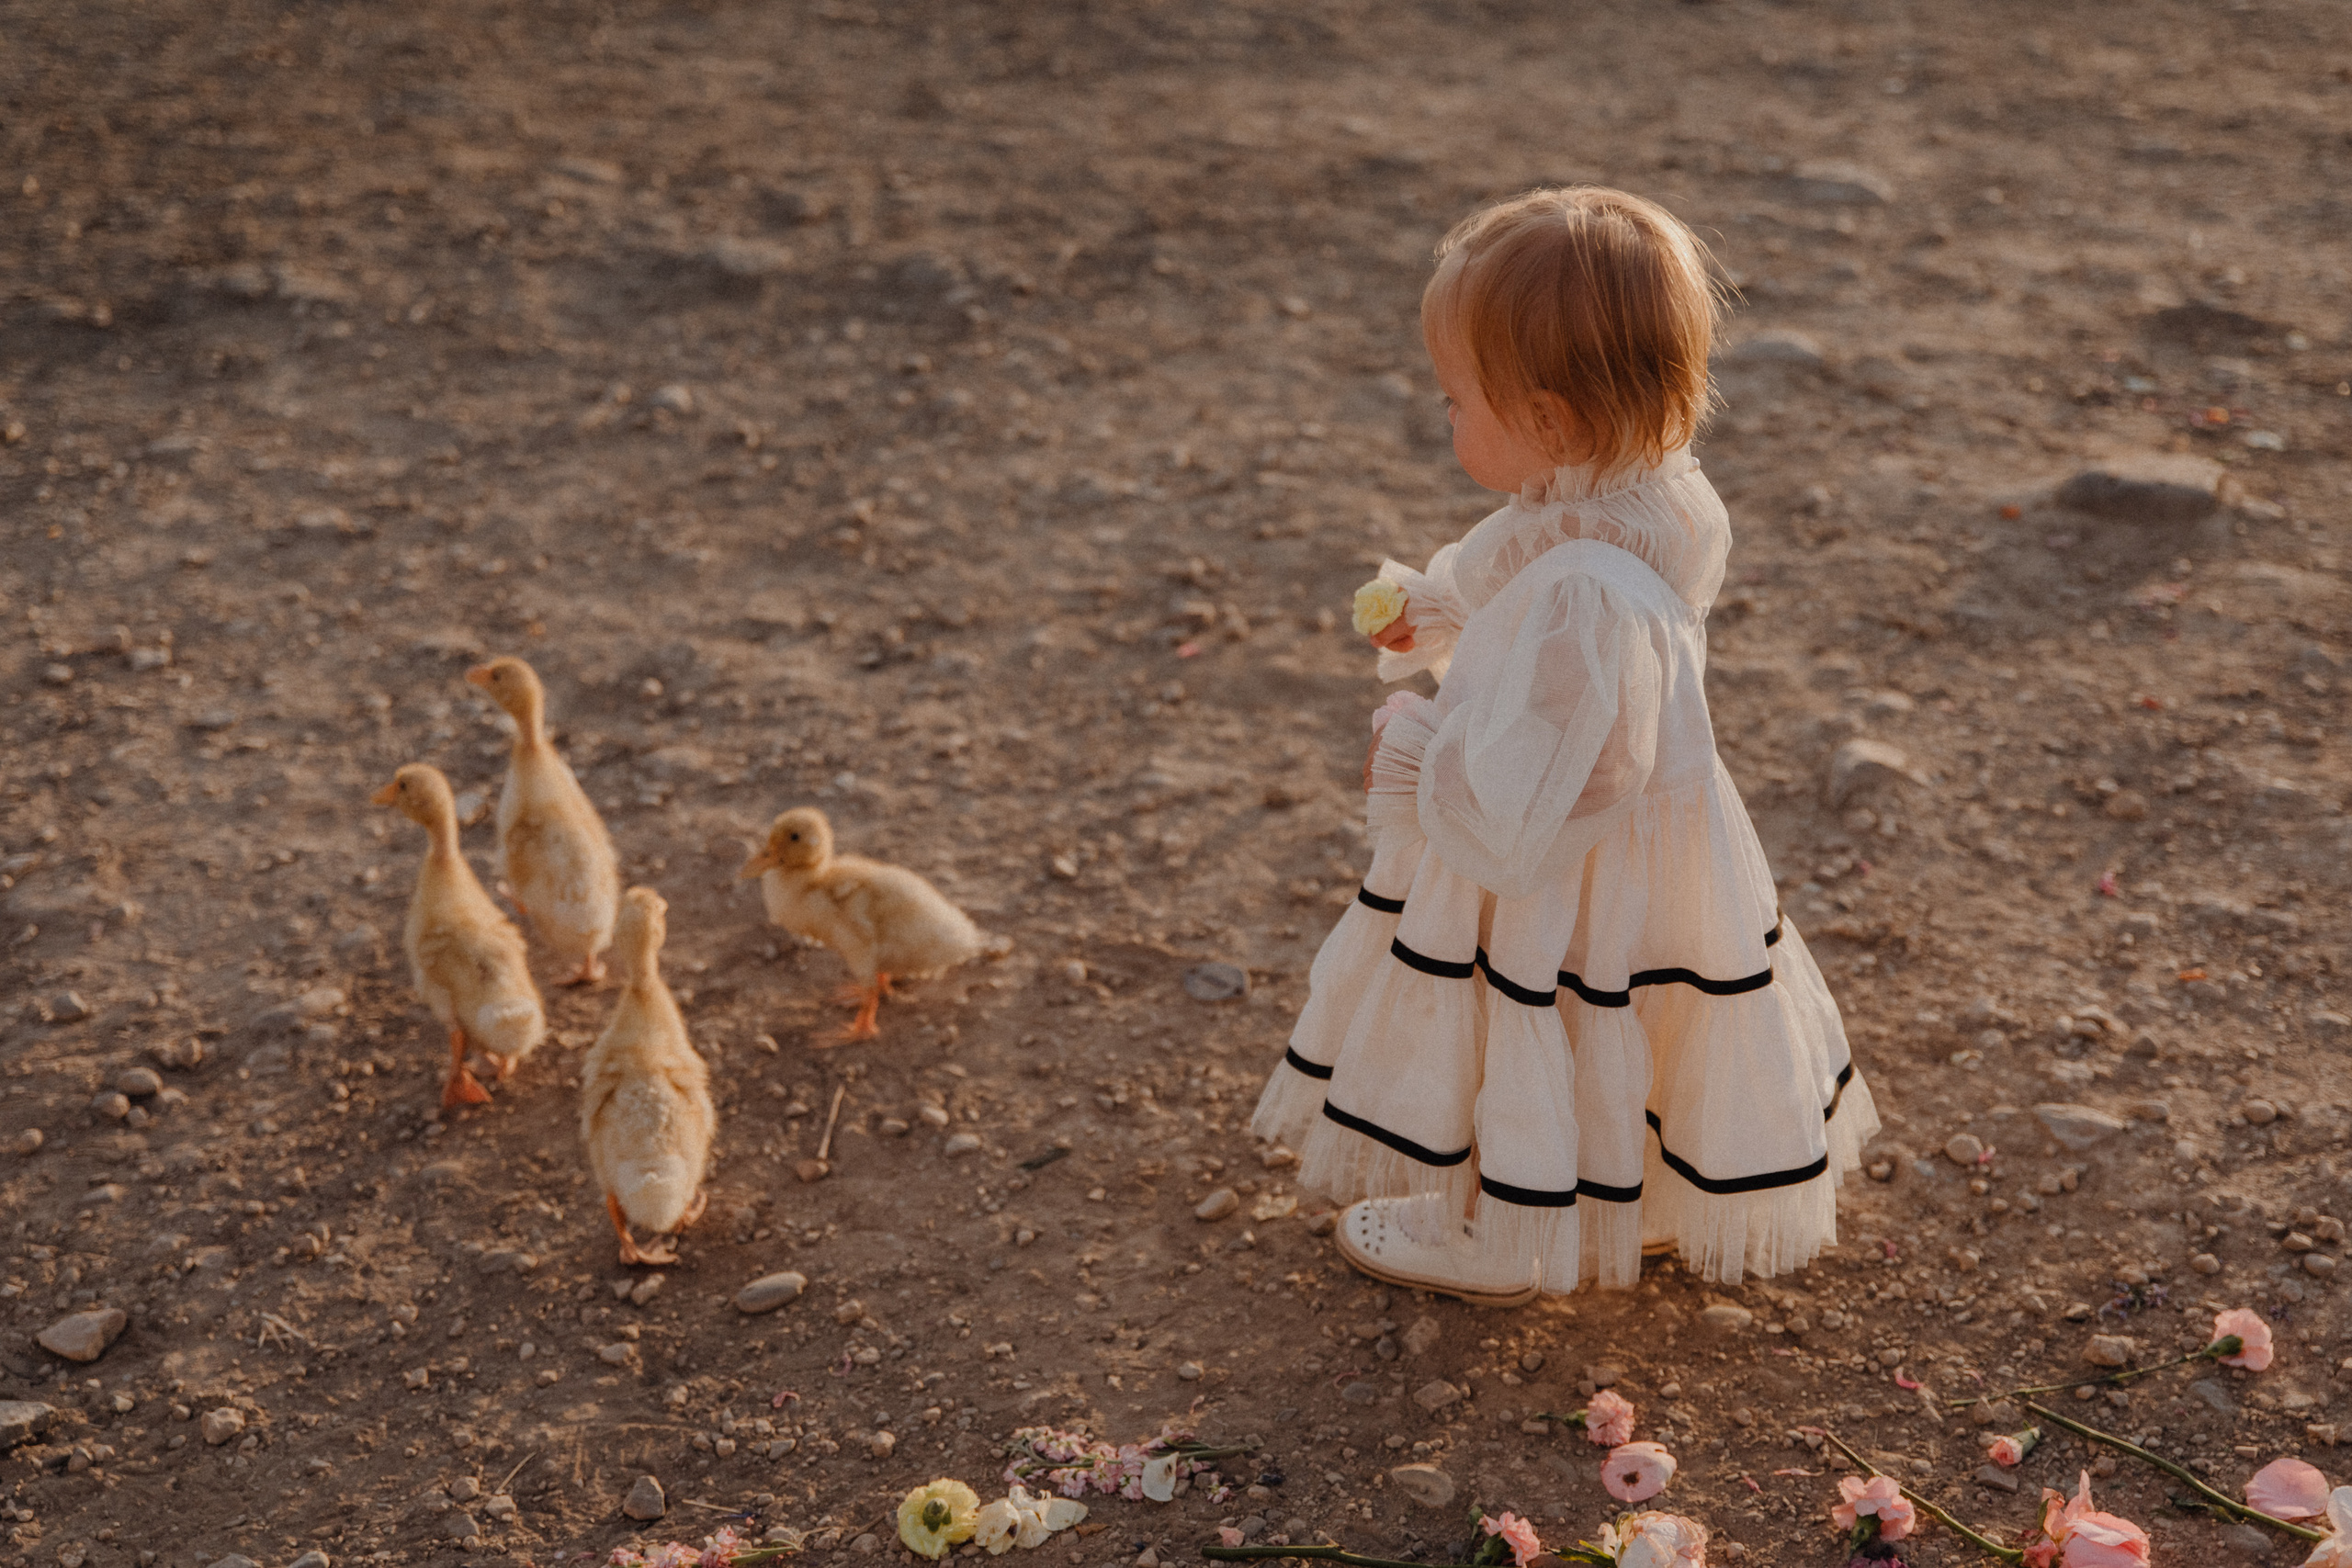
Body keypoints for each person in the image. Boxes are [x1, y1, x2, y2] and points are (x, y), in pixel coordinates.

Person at [1251, 187, 1878, 1305]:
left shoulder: (1588, 587)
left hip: (1555, 860)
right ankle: (1624, 1198)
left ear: (1547, 419)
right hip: (1649, 854)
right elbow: (1533, 568)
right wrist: (1435, 611)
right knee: (1631, 1000)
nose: (1444, 417)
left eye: (1457, 400)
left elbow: (1562, 765)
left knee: (1529, 1001)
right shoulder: (1646, 498)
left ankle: (1510, 1228)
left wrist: (1413, 738)